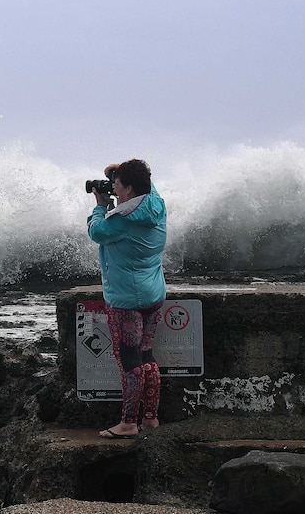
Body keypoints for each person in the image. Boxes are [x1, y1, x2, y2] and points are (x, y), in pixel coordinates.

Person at [87, 159, 167, 439]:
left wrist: (99, 206)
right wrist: (118, 172)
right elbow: (148, 187)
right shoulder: (156, 205)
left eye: (118, 185)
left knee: (129, 361)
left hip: (126, 301)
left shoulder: (121, 221)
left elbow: (96, 232)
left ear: (130, 188)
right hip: (153, 293)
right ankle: (151, 418)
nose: (114, 190)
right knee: (147, 355)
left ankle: (128, 423)